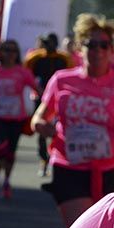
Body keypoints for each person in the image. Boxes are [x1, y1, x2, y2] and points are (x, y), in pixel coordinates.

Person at [30, 14, 114, 228]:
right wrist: (45, 127)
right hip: (69, 166)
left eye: (104, 45)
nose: (97, 50)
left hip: (111, 169)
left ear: (111, 50)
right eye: (91, 44)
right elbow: (38, 119)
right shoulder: (62, 80)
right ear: (80, 46)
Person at [0, 40, 39, 198]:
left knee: (10, 152)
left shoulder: (22, 72)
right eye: (6, 50)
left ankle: (7, 181)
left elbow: (38, 89)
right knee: (0, 148)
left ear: (17, 54)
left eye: (13, 51)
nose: (10, 54)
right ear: (1, 52)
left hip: (17, 118)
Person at [23, 33, 71, 177]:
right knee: (42, 130)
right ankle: (44, 160)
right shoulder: (36, 58)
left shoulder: (63, 59)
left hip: (60, 99)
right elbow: (29, 75)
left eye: (52, 42)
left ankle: (56, 159)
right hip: (42, 98)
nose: (49, 45)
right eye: (47, 43)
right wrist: (37, 90)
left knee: (59, 129)